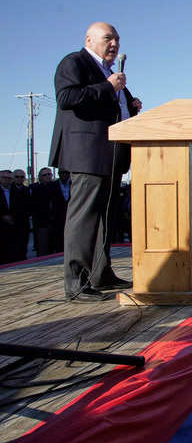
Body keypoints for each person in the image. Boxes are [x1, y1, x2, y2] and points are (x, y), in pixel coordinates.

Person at [49, 22, 142, 302]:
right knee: (85, 217)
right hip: (87, 153)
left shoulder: (110, 73)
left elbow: (113, 103)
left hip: (113, 154)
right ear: (89, 39)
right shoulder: (74, 62)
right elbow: (66, 97)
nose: (114, 43)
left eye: (117, 39)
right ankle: (76, 284)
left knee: (106, 217)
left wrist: (131, 104)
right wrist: (106, 87)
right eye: (108, 38)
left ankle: (101, 273)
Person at [30, 167, 55, 256]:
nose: (48, 176)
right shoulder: (33, 188)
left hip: (56, 224)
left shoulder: (56, 186)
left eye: (49, 174)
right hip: (42, 224)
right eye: (45, 175)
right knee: (43, 251)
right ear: (40, 177)